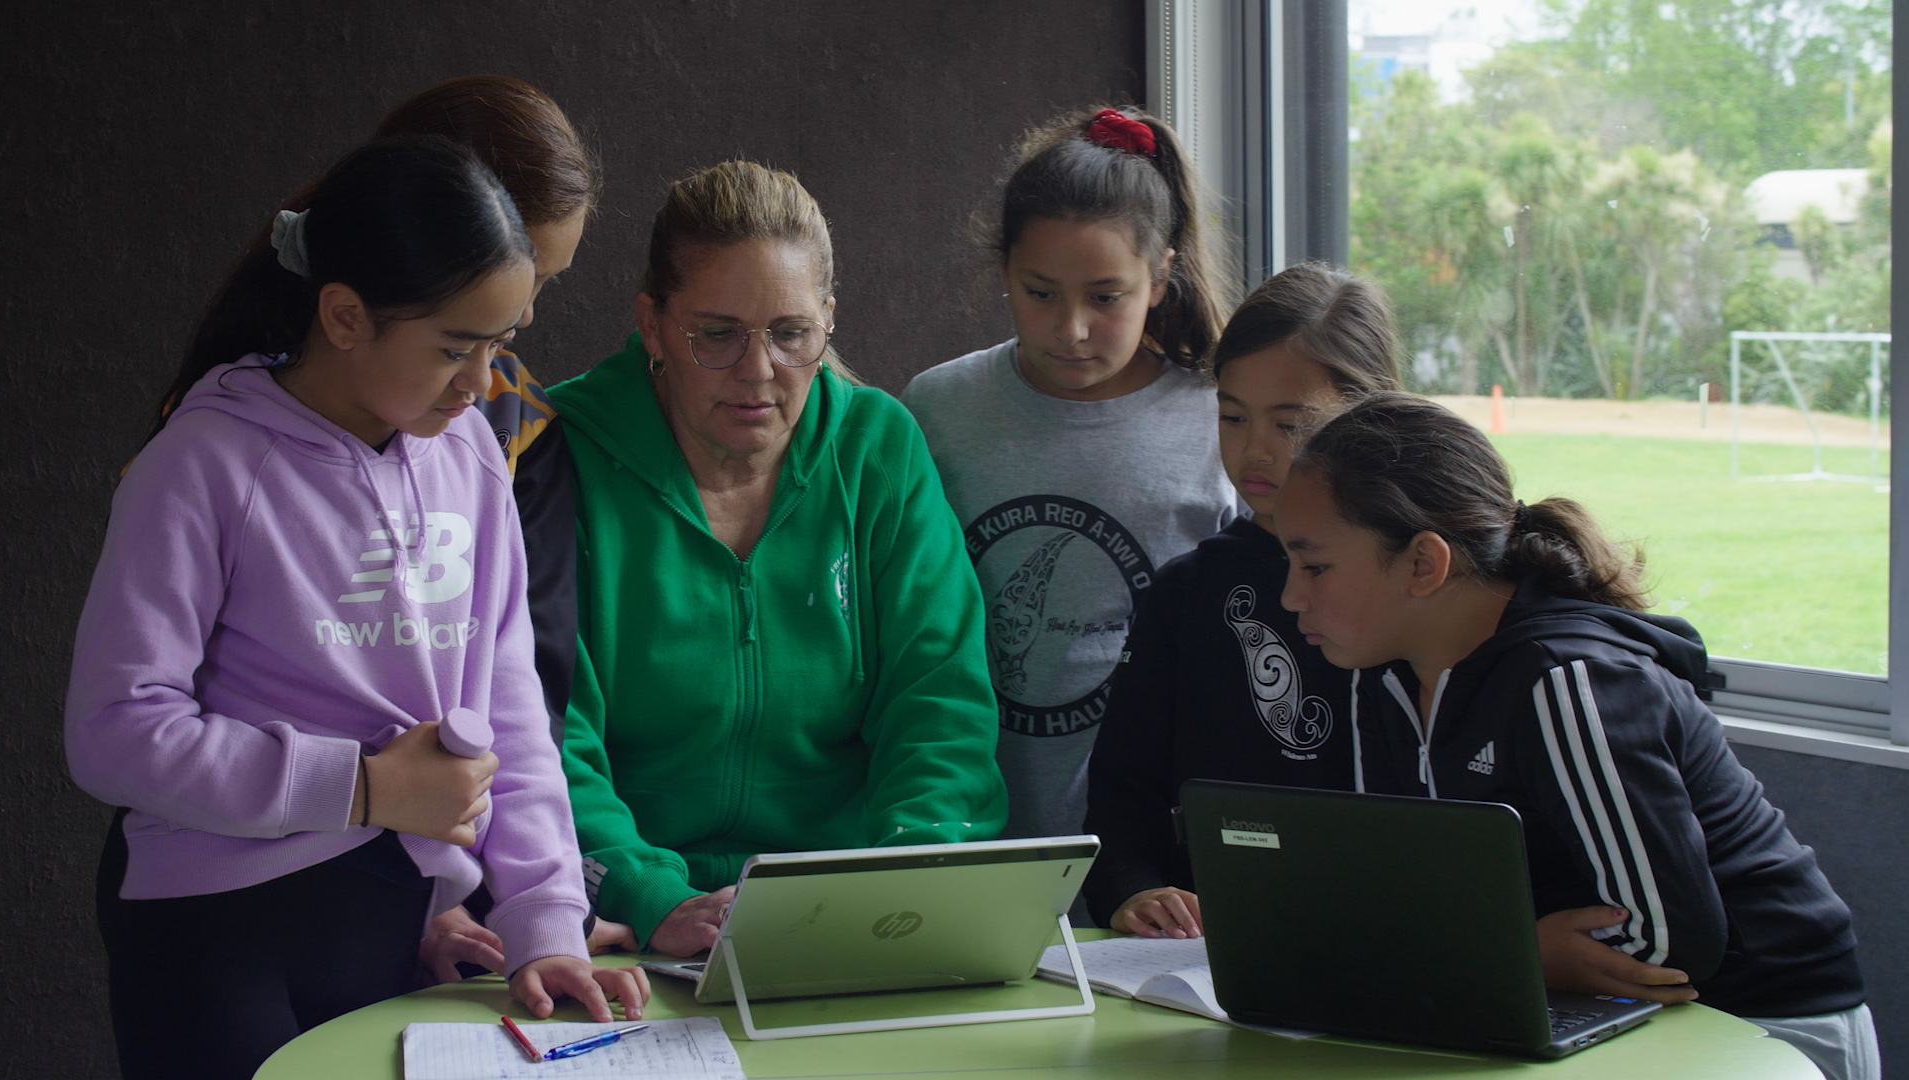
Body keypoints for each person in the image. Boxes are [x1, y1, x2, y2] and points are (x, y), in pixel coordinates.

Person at [66, 137, 647, 1080]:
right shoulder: (204, 465)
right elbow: (115, 730)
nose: (481, 384)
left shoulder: (469, 460)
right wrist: (365, 789)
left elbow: (511, 715)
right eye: (456, 348)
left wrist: (546, 921)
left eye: (500, 345)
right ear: (343, 315)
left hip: (393, 921)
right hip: (212, 929)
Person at [1273, 392, 1877, 1080]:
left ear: (1423, 564)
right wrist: (1510, 951)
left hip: (1760, 1022)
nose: (1292, 596)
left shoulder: (1567, 681)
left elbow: (1664, 946)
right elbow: (1404, 901)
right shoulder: (1379, 679)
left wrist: (1510, 955)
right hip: (1580, 1007)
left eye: (1313, 565)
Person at [549, 160, 1008, 957]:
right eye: (717, 335)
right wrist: (651, 896)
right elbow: (545, 732)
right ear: (653, 324)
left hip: (850, 912)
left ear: (828, 319)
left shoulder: (879, 448)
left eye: (792, 334)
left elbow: (940, 705)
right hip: (622, 928)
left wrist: (902, 888)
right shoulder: (558, 454)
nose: (758, 372)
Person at [902, 106, 1239, 858]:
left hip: (1162, 858)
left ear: (1161, 277)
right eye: (1041, 292)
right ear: (1004, 274)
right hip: (968, 838)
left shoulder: (1221, 420)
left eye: (1106, 296)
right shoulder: (936, 408)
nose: (1072, 327)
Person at [371, 74, 616, 981]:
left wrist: (534, 903)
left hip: (455, 885)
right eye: (520, 274)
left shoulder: (511, 429)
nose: (520, 322)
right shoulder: (230, 434)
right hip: (264, 891)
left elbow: (525, 689)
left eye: (542, 283)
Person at [1081, 264, 1399, 937]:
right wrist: (1132, 893)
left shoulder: (1418, 586)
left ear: (1374, 416)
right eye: (1231, 416)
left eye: (1291, 425)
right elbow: (1120, 806)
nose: (1254, 452)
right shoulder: (1186, 595)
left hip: (1398, 937)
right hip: (1210, 960)